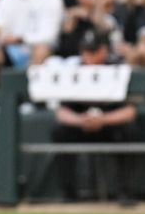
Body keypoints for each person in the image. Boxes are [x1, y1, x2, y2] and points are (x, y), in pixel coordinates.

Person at [50, 29, 137, 201]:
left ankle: (124, 192)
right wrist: (81, 120)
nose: (87, 56)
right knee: (59, 132)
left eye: (92, 51)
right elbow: (61, 112)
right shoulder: (74, 72)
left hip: (110, 126)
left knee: (129, 132)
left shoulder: (117, 69)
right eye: (84, 51)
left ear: (104, 51)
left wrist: (103, 120)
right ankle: (68, 193)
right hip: (81, 126)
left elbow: (130, 111)